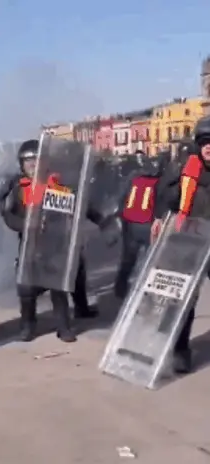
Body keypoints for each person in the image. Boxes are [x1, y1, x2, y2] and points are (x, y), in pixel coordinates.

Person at [0, 139, 110, 342]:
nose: (32, 165)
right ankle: (27, 326)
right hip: (30, 249)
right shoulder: (19, 189)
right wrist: (24, 225)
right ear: (21, 165)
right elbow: (8, 215)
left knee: (58, 289)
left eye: (36, 160)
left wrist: (103, 222)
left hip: (56, 247)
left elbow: (81, 206)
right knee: (26, 290)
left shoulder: (58, 187)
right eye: (27, 161)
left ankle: (63, 326)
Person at [150, 117, 210, 374]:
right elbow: (164, 199)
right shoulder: (185, 170)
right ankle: (180, 350)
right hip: (189, 242)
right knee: (185, 299)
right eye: (205, 143)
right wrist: (159, 219)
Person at [113, 152, 169, 298]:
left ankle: (120, 287)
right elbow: (163, 203)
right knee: (151, 259)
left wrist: (120, 217)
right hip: (148, 223)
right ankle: (146, 291)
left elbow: (122, 198)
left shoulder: (134, 177)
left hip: (131, 223)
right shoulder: (162, 180)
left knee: (128, 258)